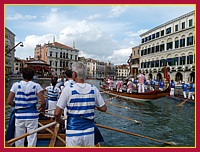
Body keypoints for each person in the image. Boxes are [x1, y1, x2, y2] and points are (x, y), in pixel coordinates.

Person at [54, 62, 107, 147]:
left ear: (74, 74)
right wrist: (92, 104)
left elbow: (57, 113)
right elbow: (104, 108)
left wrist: (60, 121)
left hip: (73, 132)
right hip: (89, 132)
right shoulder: (93, 89)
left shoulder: (67, 90)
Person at [7, 67, 46, 147]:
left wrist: (17, 105)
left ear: (22, 75)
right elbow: (43, 102)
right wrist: (42, 108)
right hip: (32, 116)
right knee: (32, 138)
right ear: (32, 76)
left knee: (19, 138)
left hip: (19, 116)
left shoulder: (16, 85)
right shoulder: (36, 86)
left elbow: (9, 101)